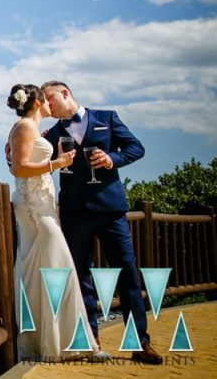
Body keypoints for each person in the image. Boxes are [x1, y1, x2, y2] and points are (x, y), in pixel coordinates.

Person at [40, 81, 162, 365]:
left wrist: (111, 158)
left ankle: (141, 342)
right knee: (82, 278)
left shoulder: (107, 118)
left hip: (111, 211)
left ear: (65, 93)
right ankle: (91, 341)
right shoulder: (53, 133)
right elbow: (31, 157)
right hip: (74, 214)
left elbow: (136, 147)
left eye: (50, 99)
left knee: (127, 275)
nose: (48, 106)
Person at [6, 83, 106, 362]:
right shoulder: (25, 127)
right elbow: (19, 167)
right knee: (60, 267)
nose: (51, 103)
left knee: (43, 270)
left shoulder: (30, 129)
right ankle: (76, 344)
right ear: (36, 102)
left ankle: (53, 341)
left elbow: (16, 158)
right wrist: (58, 163)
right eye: (46, 98)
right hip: (35, 208)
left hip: (42, 205)